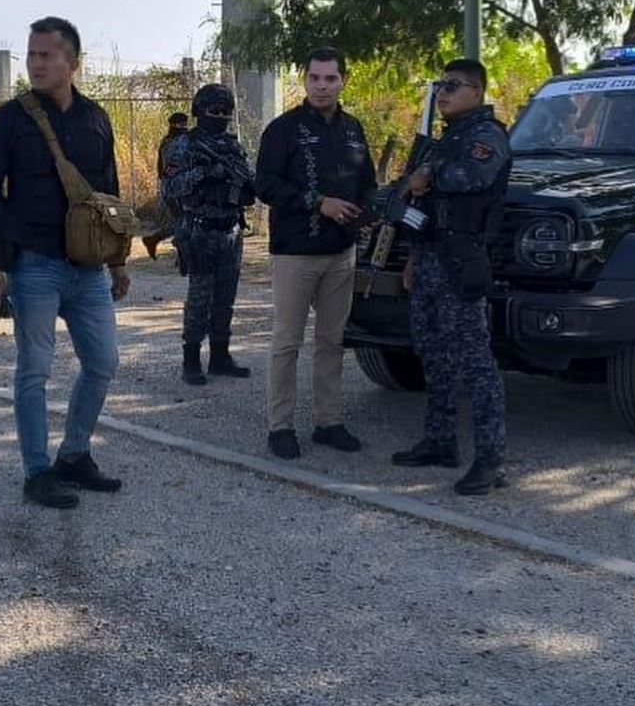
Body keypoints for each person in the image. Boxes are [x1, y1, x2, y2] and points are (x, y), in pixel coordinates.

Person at [0, 16, 130, 510]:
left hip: (88, 269)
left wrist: (118, 260)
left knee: (103, 363)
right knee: (34, 371)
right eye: (32, 55)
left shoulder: (95, 118)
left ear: (73, 63)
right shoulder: (9, 119)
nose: (36, 64)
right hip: (33, 266)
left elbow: (110, 195)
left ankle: (75, 456)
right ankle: (37, 472)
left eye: (47, 55)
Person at [393, 58, 512, 495]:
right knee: (432, 352)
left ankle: (490, 458)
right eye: (440, 85)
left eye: (454, 86)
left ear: (477, 92)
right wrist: (412, 257)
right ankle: (439, 440)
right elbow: (424, 206)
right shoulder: (446, 138)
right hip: (430, 257)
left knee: (474, 361)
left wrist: (427, 174)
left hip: (462, 260)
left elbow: (469, 178)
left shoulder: (487, 136)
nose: (443, 93)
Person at [256, 47, 376, 459]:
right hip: (295, 253)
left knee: (331, 341)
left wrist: (369, 214)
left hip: (341, 253)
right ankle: (280, 426)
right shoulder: (282, 129)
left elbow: (368, 183)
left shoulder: (355, 129)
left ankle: (329, 421)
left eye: (330, 79)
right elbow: (265, 184)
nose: (322, 86)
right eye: (314, 78)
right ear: (304, 80)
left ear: (344, 80)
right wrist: (316, 201)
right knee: (287, 342)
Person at [161, 84, 255, 384]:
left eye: (225, 111)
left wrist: (248, 186)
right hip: (200, 229)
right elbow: (169, 189)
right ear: (199, 111)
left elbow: (249, 181)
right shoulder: (183, 146)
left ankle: (220, 356)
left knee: (226, 297)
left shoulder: (233, 145)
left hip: (231, 229)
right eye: (214, 110)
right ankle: (191, 359)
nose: (220, 116)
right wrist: (204, 173)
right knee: (200, 296)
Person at [142, 112, 189, 259]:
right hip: (179, 188)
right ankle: (181, 253)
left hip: (171, 188)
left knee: (181, 221)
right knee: (184, 221)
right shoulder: (179, 142)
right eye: (182, 124)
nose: (185, 127)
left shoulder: (168, 141)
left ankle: (156, 240)